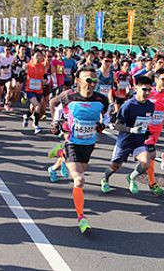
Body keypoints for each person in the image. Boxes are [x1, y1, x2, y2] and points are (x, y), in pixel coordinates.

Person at [49, 66, 110, 233]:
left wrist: (103, 123)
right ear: (78, 80)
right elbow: (55, 106)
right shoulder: (69, 96)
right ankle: (81, 217)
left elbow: (107, 115)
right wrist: (55, 123)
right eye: (88, 80)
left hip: (89, 143)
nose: (91, 84)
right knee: (79, 179)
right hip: (72, 142)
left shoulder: (101, 99)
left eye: (94, 81)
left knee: (81, 171)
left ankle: (61, 153)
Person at [100, 75, 155, 195]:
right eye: (144, 89)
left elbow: (145, 124)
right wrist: (131, 130)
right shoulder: (128, 105)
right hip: (124, 142)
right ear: (136, 88)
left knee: (146, 162)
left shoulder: (151, 106)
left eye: (149, 90)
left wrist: (148, 133)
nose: (147, 93)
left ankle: (131, 177)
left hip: (138, 142)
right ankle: (105, 179)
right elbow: (117, 125)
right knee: (115, 166)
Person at [142, 68, 164, 196]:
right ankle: (152, 183)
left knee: (146, 156)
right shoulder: (148, 92)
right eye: (163, 79)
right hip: (144, 129)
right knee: (150, 155)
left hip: (157, 129)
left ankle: (110, 175)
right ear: (156, 80)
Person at [22, 50, 47, 134]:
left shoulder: (43, 66)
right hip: (30, 90)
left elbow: (45, 77)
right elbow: (23, 69)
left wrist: (44, 81)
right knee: (38, 106)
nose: (38, 57)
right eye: (36, 56)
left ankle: (26, 116)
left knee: (33, 108)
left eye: (40, 56)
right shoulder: (29, 66)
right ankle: (36, 125)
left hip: (39, 90)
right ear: (32, 57)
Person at [0, 44, 15, 111]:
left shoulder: (12, 58)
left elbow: (14, 66)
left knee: (9, 89)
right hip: (0, 77)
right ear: (4, 49)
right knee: (0, 91)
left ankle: (6, 104)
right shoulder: (0, 56)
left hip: (8, 77)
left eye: (9, 50)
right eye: (6, 49)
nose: (8, 51)